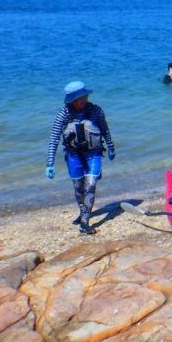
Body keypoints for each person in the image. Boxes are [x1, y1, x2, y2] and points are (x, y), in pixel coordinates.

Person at [45, 81, 115, 235]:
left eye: (84, 96)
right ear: (71, 99)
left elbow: (105, 129)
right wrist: (50, 163)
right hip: (73, 155)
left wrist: (110, 147)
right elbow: (54, 139)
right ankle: (83, 211)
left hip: (94, 154)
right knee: (79, 189)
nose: (83, 99)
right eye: (79, 97)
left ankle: (84, 221)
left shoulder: (95, 111)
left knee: (90, 185)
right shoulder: (63, 115)